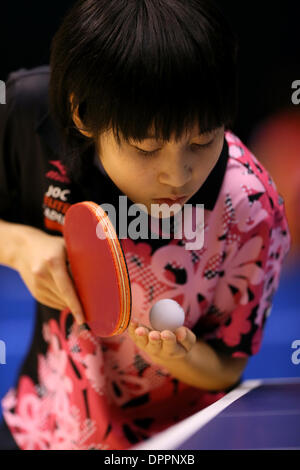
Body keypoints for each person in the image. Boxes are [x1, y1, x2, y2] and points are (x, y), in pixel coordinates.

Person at [0, 0, 291, 450]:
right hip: (42, 426)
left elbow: (227, 364)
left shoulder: (250, 204)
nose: (178, 176)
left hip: (185, 438)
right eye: (146, 148)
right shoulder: (28, 116)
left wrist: (181, 356)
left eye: (202, 140)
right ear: (84, 116)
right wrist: (18, 244)